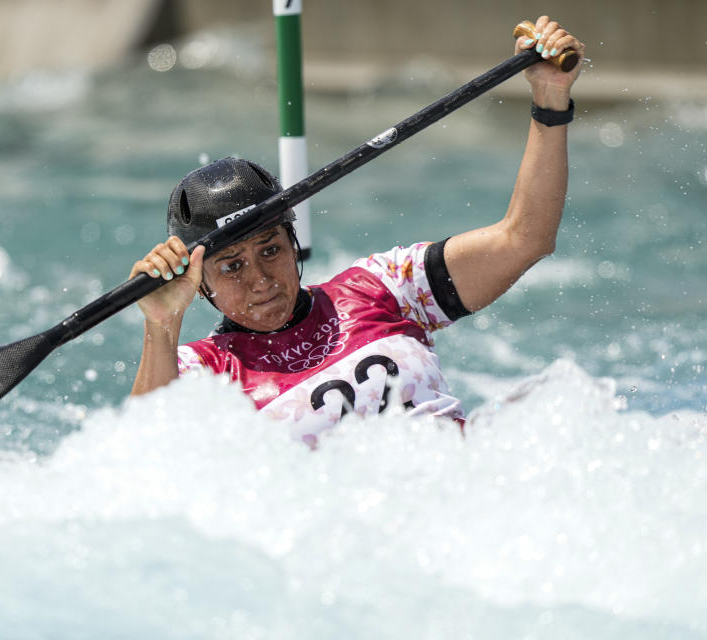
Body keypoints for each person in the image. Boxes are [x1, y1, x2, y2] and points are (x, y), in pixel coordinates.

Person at [128, 16, 585, 443]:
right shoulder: (200, 373)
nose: (260, 280)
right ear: (201, 285)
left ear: (293, 242)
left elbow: (524, 239)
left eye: (270, 251)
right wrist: (162, 324)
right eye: (231, 267)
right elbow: (145, 456)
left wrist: (550, 99)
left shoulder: (385, 286)